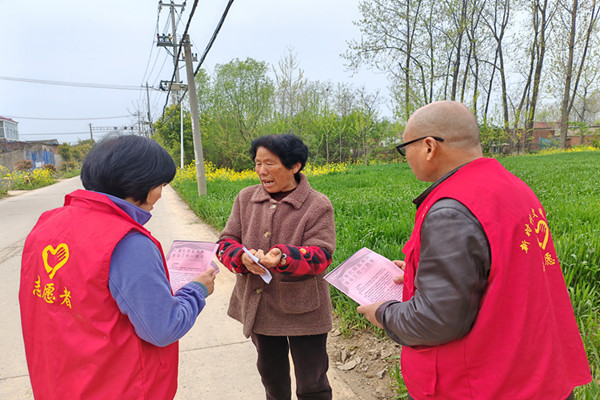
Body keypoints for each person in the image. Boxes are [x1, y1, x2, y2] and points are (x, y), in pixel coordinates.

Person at [357, 101, 592, 400]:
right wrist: (423, 273)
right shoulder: (513, 188)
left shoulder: (451, 209)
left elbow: (436, 321)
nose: (407, 158)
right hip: (536, 375)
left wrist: (383, 313)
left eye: (406, 148)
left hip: (484, 384)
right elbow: (500, 269)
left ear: (429, 147)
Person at [19, 135, 216, 400]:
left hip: (58, 383)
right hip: (118, 386)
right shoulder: (128, 242)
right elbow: (163, 328)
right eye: (161, 184)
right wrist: (196, 290)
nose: (160, 193)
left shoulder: (48, 224)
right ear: (140, 184)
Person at [217, 134, 335, 400]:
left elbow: (321, 256)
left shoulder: (317, 204)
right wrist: (241, 257)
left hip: (305, 310)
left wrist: (282, 257)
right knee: (272, 380)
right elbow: (225, 242)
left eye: (269, 163)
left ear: (295, 165)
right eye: (258, 163)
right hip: (260, 308)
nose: (261, 171)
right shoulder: (245, 198)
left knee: (312, 384)